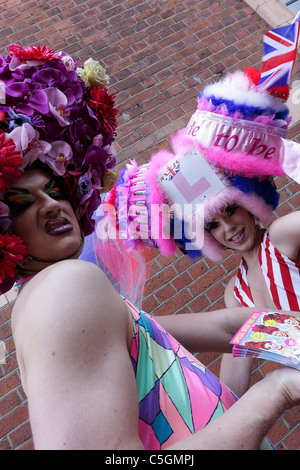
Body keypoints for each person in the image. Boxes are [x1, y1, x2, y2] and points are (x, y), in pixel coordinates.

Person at [1, 44, 300, 452]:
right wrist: (278, 391)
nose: (51, 204)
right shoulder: (64, 287)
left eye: (54, 189)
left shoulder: (86, 303)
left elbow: (233, 328)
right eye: (22, 202)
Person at [103, 18, 300, 400]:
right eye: (213, 225)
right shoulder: (237, 294)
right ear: (202, 237)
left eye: (232, 211)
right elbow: (234, 384)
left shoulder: (281, 237)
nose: (228, 228)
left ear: (250, 202)